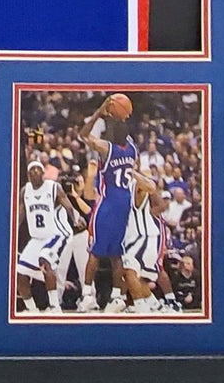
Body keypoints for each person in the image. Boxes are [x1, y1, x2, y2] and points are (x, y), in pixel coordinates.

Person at [75, 96, 138, 313]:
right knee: (116, 255)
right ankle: (117, 297)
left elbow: (83, 135)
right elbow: (123, 130)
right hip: (125, 205)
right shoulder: (132, 149)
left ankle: (87, 296)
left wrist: (100, 111)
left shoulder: (107, 149)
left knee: (94, 251)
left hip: (108, 204)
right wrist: (121, 115)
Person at [15, 160, 81, 315]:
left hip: (56, 234)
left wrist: (75, 219)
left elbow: (67, 204)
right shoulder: (25, 191)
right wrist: (12, 229)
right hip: (37, 238)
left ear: (43, 173)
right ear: (28, 175)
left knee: (45, 259)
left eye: (38, 170)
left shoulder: (53, 187)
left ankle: (54, 306)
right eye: (32, 170)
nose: (35, 172)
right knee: (19, 273)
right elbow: (20, 214)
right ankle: (31, 309)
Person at [121, 170, 182, 314]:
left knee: (153, 269)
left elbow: (160, 202)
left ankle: (171, 302)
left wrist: (148, 214)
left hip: (149, 234)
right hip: (135, 236)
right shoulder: (120, 189)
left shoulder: (139, 185)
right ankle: (155, 306)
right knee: (140, 277)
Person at [54, 165, 92, 308]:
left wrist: (76, 194)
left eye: (78, 181)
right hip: (64, 235)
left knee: (84, 268)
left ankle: (90, 299)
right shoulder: (59, 195)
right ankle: (56, 300)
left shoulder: (86, 195)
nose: (75, 184)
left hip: (81, 234)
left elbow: (88, 212)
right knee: (60, 269)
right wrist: (62, 188)